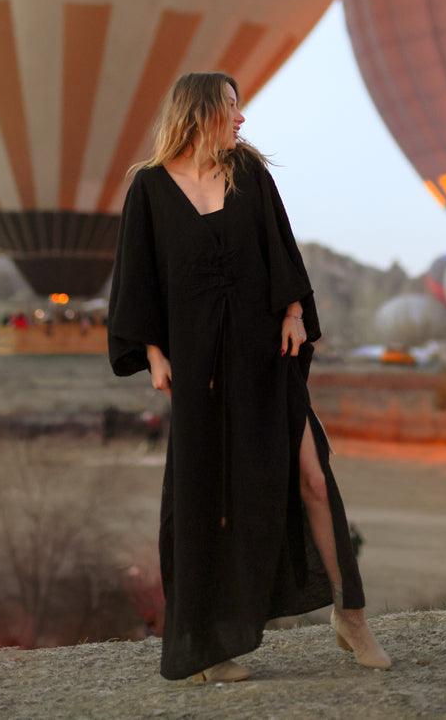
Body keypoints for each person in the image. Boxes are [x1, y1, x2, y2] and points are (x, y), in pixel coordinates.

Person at [107, 72, 391, 682]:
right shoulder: (149, 190)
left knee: (314, 480)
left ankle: (352, 614)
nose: (241, 120)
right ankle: (206, 645)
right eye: (232, 107)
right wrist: (154, 354)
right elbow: (138, 281)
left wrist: (293, 311)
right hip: (198, 372)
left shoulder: (250, 176)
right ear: (201, 109)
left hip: (267, 359)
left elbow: (280, 250)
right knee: (206, 504)